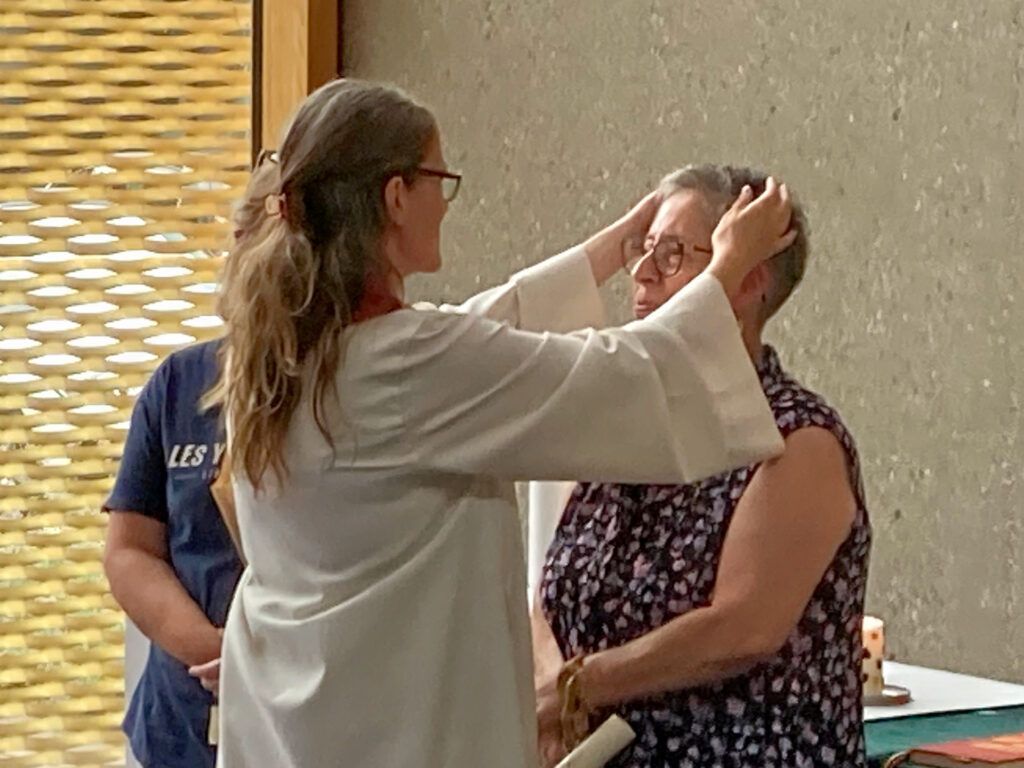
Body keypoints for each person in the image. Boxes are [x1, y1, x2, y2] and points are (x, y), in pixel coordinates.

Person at [209, 79, 795, 768]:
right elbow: (611, 375)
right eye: (439, 179)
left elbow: (479, 328)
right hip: (392, 731)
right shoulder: (407, 365)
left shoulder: (300, 349)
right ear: (396, 196)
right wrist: (723, 268)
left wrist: (610, 249)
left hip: (307, 722)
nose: (445, 203)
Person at [532, 165, 872, 768]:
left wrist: (576, 689)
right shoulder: (620, 427)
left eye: (670, 256)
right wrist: (553, 698)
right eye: (644, 250)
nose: (639, 273)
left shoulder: (798, 438)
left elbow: (741, 629)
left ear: (748, 283)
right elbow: (551, 597)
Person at [103, 339, 241, 768]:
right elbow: (130, 550)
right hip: (179, 727)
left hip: (311, 707)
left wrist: (259, 660)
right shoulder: (182, 381)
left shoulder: (352, 380)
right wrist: (211, 650)